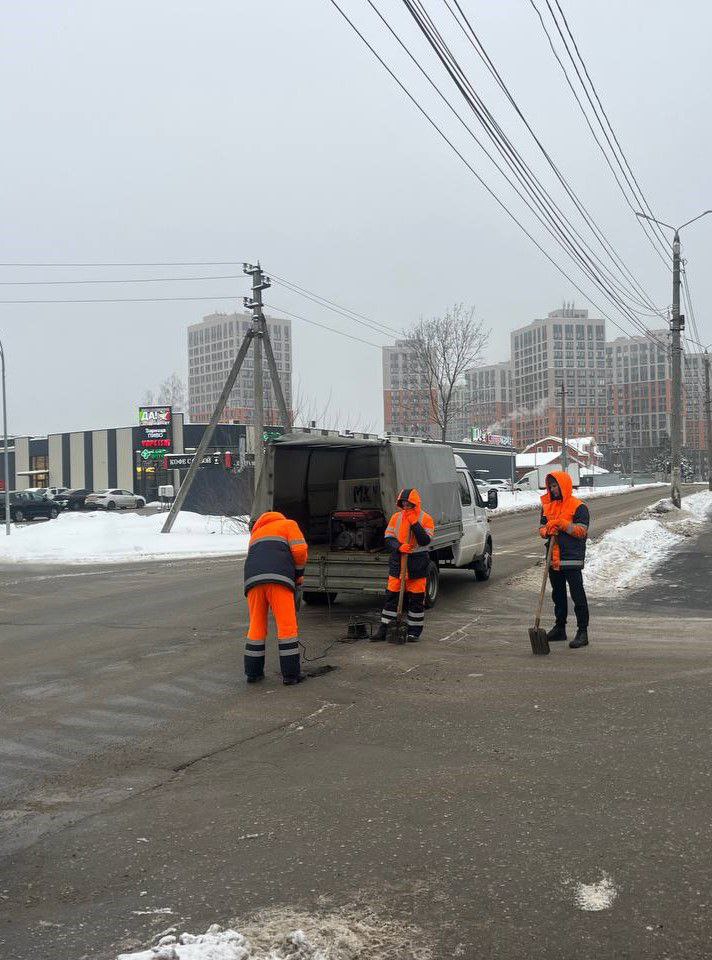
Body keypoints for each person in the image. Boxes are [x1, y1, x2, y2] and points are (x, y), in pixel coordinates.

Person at [243, 511, 308, 685]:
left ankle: (253, 673)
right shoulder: (288, 524)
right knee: (287, 626)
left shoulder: (256, 533)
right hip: (279, 580)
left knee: (256, 625)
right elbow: (300, 549)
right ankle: (291, 675)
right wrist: (299, 574)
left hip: (252, 581)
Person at [371, 488, 435, 643]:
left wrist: (414, 523)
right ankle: (384, 628)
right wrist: (398, 546)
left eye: (409, 504)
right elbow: (388, 538)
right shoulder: (396, 517)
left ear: (415, 503)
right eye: (403, 504)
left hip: (417, 563)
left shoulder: (425, 518)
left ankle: (414, 631)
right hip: (398, 561)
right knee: (391, 597)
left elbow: (425, 540)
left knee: (416, 600)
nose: (405, 506)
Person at [539, 470, 590, 649]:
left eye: (555, 486)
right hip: (553, 558)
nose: (552, 490)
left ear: (564, 485)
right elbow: (541, 529)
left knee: (577, 595)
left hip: (571, 558)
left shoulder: (578, 506)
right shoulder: (547, 506)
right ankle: (560, 628)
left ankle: (582, 631)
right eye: (550, 486)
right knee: (558, 595)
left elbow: (581, 531)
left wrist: (562, 524)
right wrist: (548, 530)